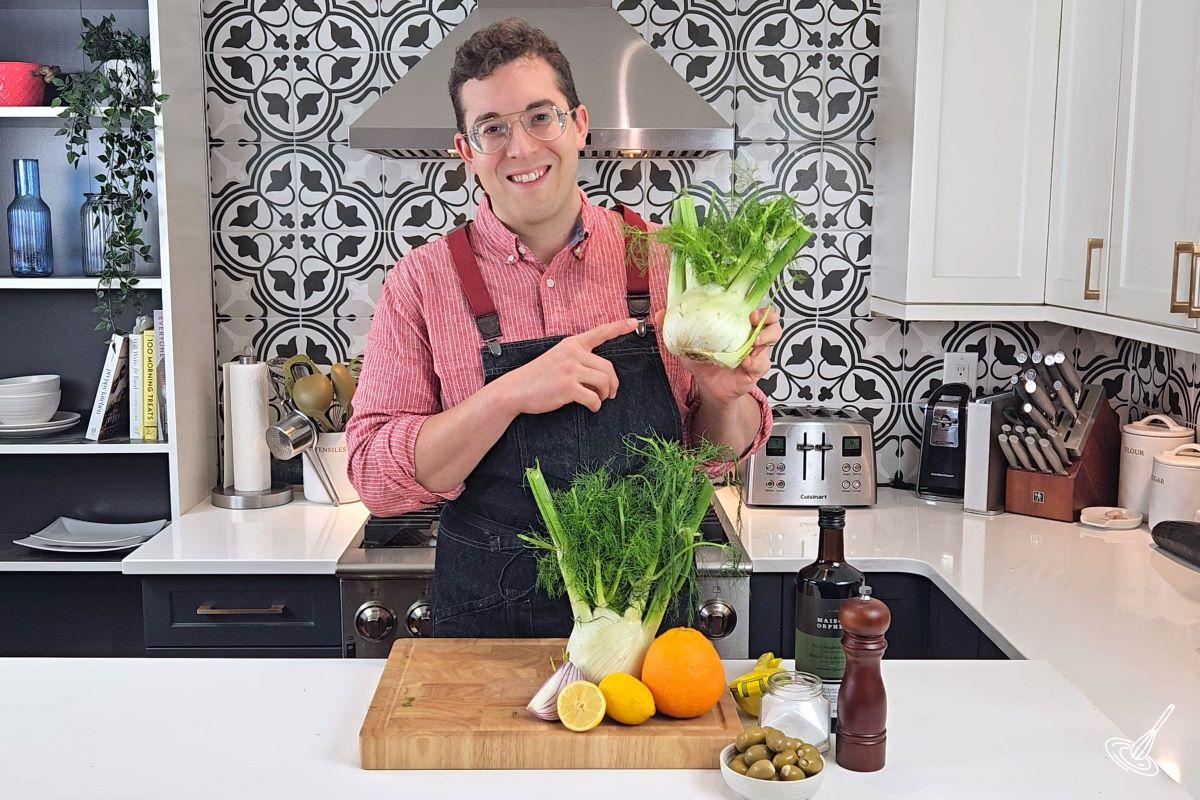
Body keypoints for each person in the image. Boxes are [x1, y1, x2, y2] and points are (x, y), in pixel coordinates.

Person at [346, 18, 778, 638]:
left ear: (578, 124)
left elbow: (718, 456)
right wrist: (508, 394)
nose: (519, 147)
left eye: (539, 117)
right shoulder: (421, 281)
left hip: (645, 623)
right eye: (492, 128)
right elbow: (375, 479)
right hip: (484, 626)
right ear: (466, 151)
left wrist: (721, 396)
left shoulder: (667, 262)